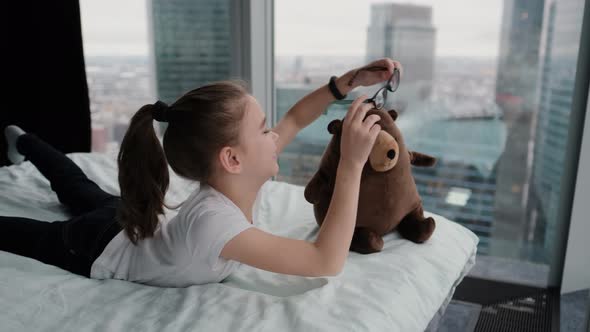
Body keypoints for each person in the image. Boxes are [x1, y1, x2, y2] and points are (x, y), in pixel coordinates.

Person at [0, 58, 402, 287]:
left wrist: (348, 83)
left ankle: (24, 141)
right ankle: (25, 143)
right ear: (231, 159)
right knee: (35, 229)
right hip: (93, 246)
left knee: (75, 184)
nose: (274, 135)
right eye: (264, 130)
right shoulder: (215, 224)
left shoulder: (237, 175)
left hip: (131, 224)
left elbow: (296, 117)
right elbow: (324, 261)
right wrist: (350, 164)